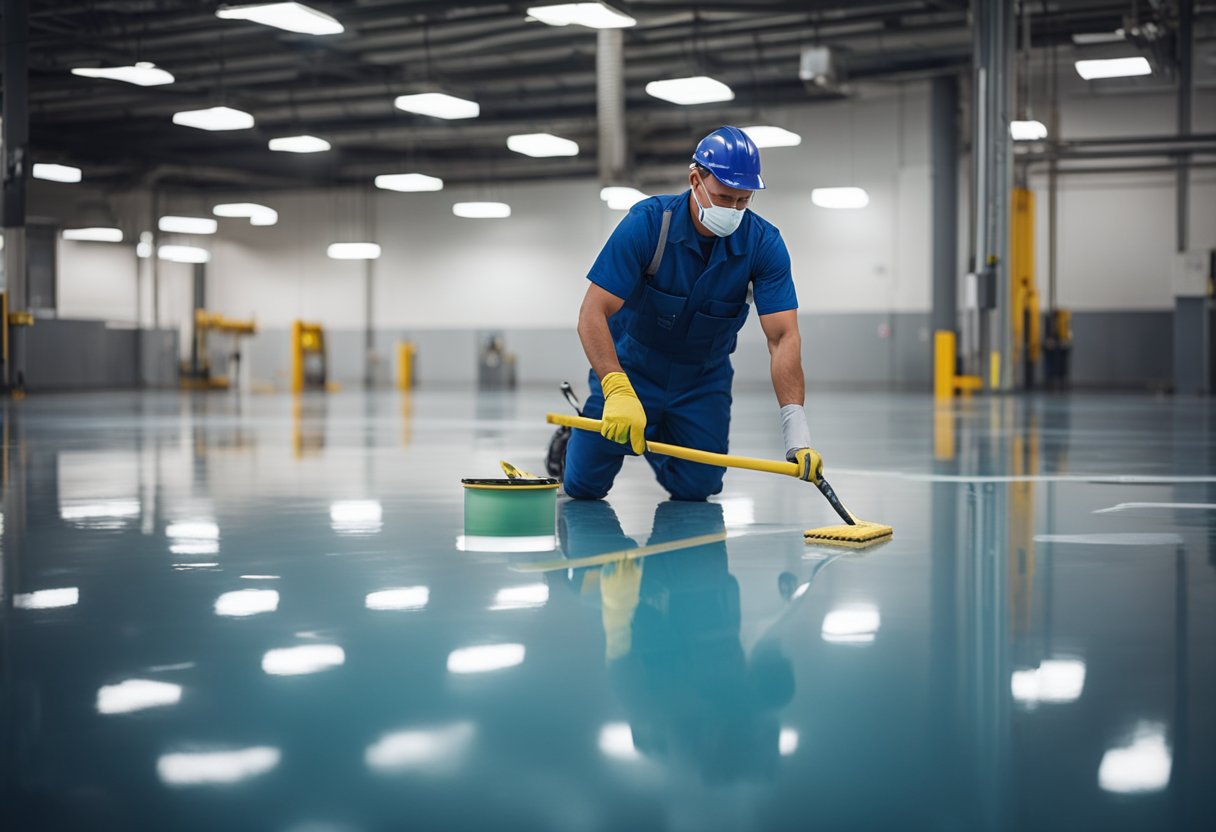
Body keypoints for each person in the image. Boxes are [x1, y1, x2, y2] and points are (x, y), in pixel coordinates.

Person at [563, 125, 822, 501]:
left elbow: (782, 336)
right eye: (723, 197)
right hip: (632, 370)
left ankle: (651, 432)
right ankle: (576, 438)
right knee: (584, 486)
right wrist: (616, 388)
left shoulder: (763, 245)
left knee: (699, 487)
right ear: (695, 180)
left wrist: (795, 427)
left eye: (743, 201)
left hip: (703, 380)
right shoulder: (649, 224)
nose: (732, 209)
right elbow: (592, 312)